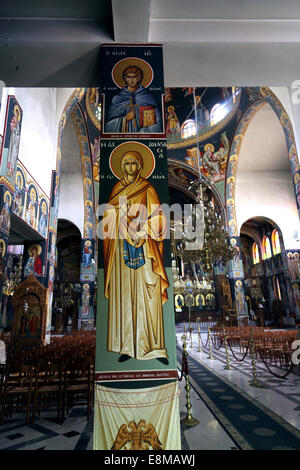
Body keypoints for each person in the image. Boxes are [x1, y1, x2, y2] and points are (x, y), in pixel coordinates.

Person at [102, 150, 169, 362]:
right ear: (122, 167)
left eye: (134, 163)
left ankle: (154, 347)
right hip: (122, 249)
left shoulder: (147, 188)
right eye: (127, 163)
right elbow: (107, 215)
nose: (130, 168)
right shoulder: (117, 189)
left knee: (149, 296)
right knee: (126, 297)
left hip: (145, 247)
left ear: (140, 166)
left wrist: (143, 229)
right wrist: (119, 218)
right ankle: (127, 347)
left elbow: (159, 217)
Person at [105, 65, 162, 133]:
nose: (132, 80)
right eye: (129, 77)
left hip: (143, 136)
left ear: (138, 78)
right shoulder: (118, 99)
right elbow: (108, 125)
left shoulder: (147, 97)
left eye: (134, 77)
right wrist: (125, 119)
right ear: (125, 78)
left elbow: (157, 121)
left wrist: (146, 132)